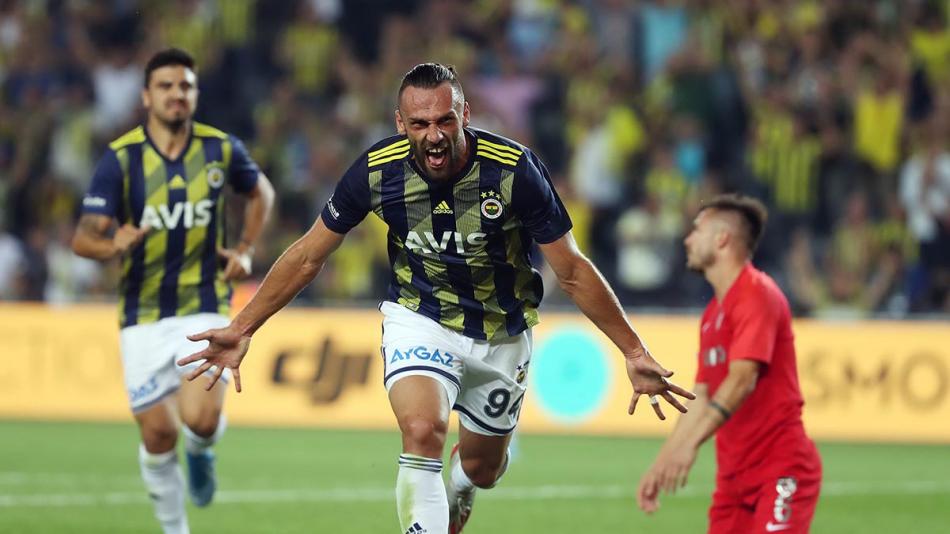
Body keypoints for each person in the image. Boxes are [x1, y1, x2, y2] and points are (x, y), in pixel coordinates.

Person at [177, 62, 693, 534]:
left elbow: (573, 270)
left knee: (483, 469)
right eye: (420, 123)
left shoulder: (513, 171)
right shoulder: (376, 172)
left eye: (445, 120)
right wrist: (242, 326)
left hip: (501, 333)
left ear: (465, 115)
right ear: (400, 123)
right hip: (420, 316)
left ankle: (463, 484)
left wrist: (633, 350)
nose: (434, 135)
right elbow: (310, 255)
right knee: (423, 430)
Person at [72, 48, 275, 534]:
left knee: (200, 421)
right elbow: (82, 238)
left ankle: (202, 451)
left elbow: (261, 193)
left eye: (185, 85)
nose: (176, 94)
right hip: (141, 312)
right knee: (159, 434)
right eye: (165, 86)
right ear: (147, 96)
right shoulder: (121, 159)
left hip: (203, 303)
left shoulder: (220, 149)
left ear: (195, 94)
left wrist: (245, 249)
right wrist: (111, 244)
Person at [636, 194, 822, 533]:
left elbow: (741, 380)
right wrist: (663, 461)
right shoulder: (712, 314)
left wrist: (690, 446)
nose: (687, 239)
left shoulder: (757, 294)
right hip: (734, 479)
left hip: (781, 467)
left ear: (722, 238)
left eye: (697, 230)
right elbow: (702, 394)